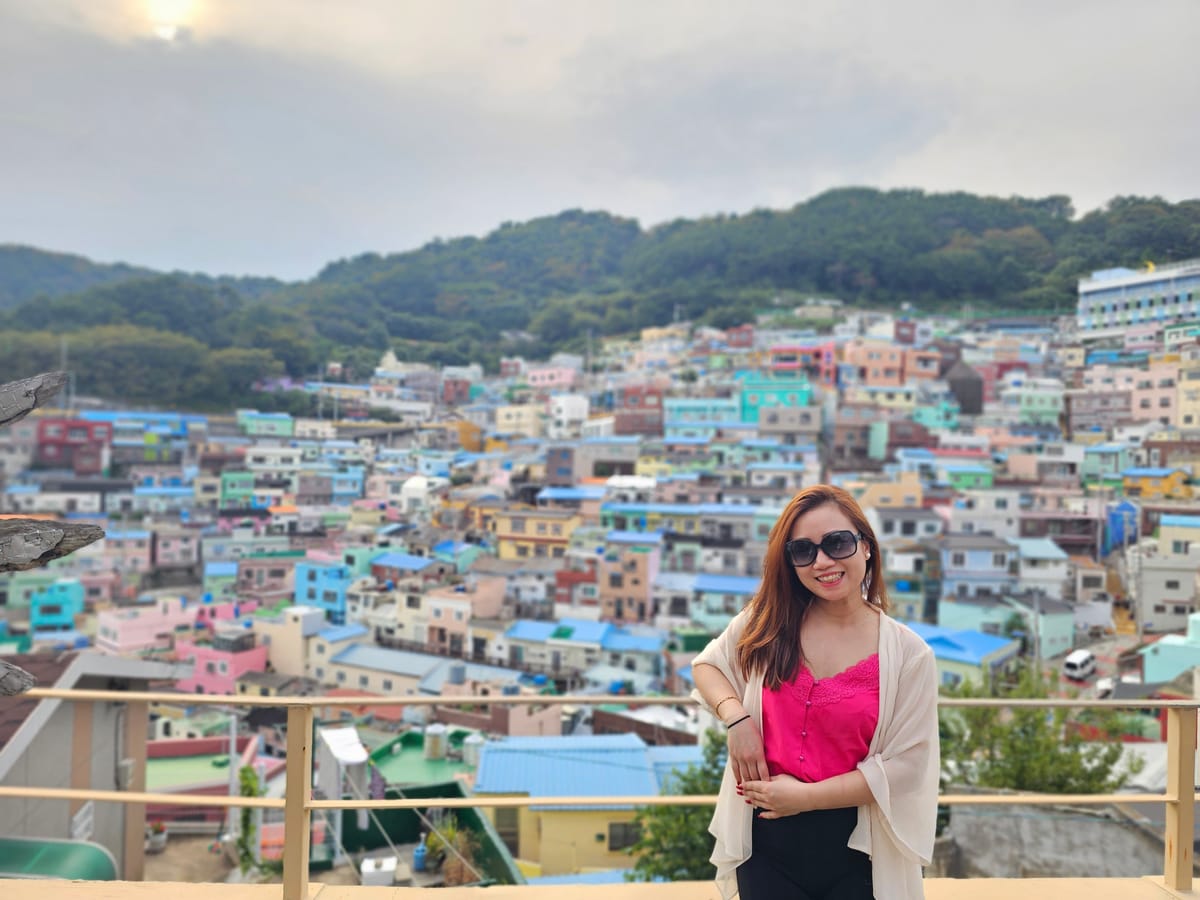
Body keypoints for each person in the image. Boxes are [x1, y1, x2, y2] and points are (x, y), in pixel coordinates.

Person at [691, 484, 939, 900]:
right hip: (764, 843)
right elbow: (708, 665)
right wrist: (736, 718)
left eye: (837, 543)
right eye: (803, 551)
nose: (822, 562)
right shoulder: (770, 621)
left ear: (866, 547)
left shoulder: (908, 655)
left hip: (859, 849)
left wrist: (806, 798)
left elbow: (907, 767)